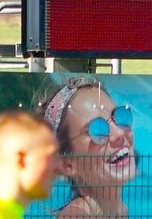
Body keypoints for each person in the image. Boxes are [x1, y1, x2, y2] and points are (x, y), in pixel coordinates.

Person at [40, 75, 137, 219]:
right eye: (97, 130)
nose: (119, 133)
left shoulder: (119, 211)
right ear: (67, 164)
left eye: (119, 117)